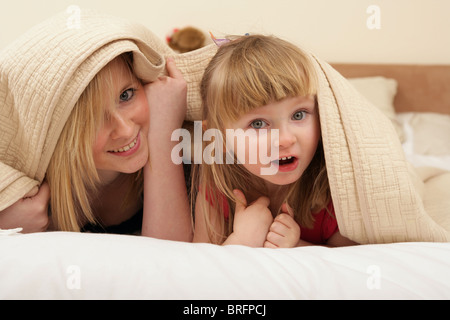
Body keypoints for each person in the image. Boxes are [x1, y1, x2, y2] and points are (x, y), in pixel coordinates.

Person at [0, 10, 215, 238]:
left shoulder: (195, 163)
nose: (125, 129)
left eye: (126, 95)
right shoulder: (29, 204)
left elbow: (168, 258)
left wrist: (164, 132)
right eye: (92, 119)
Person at [192, 34, 357, 247]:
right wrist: (241, 241)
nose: (285, 139)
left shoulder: (335, 191)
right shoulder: (217, 189)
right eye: (258, 124)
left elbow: (351, 268)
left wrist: (297, 247)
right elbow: (201, 270)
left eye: (299, 115)